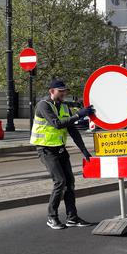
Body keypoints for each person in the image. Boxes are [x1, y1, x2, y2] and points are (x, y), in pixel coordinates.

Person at [31, 79, 95, 230]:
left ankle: (72, 218)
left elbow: (72, 130)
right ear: (51, 91)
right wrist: (79, 115)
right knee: (60, 182)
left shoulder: (65, 107)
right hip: (46, 150)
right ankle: (51, 217)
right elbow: (57, 124)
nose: (64, 94)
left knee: (70, 182)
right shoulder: (43, 105)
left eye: (64, 91)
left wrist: (84, 150)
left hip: (60, 149)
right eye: (60, 91)